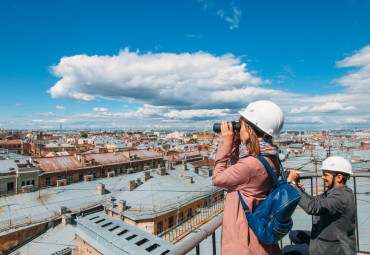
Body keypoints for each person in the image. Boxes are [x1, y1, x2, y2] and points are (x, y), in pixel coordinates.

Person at [213, 100, 284, 255]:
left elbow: (217, 178)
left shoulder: (250, 164)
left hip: (244, 238)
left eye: (242, 125)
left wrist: (226, 144)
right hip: (259, 232)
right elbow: (241, 173)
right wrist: (236, 142)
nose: (240, 128)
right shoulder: (270, 156)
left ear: (250, 130)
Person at [283, 156, 356, 255]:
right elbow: (315, 200)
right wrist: (297, 188)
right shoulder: (334, 192)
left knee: (287, 250)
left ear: (339, 177)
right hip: (328, 239)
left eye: (325, 175)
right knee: (294, 234)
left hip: (334, 249)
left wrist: (292, 184)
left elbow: (312, 207)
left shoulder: (341, 197)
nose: (322, 177)